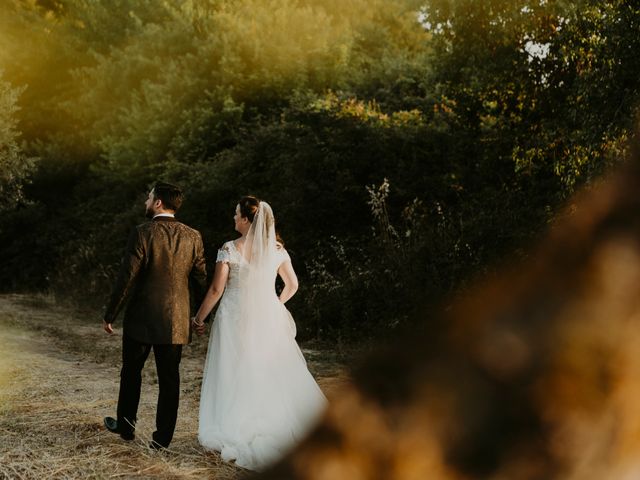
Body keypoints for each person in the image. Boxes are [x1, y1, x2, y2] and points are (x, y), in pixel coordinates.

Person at [192, 196, 327, 471]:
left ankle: (238, 423)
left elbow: (217, 290)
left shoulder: (229, 248)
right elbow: (292, 284)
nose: (233, 218)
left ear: (245, 219)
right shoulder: (277, 250)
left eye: (236, 214)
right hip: (268, 318)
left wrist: (198, 317)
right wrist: (276, 305)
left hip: (233, 317)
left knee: (234, 369)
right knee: (268, 369)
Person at [102, 182, 207, 449]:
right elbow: (201, 281)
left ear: (158, 202)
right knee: (170, 379)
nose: (145, 202)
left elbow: (127, 277)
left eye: (148, 198)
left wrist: (110, 313)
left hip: (141, 319)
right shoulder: (193, 236)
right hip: (176, 320)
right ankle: (162, 440)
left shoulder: (142, 232)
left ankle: (126, 428)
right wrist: (201, 316)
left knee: (131, 373)